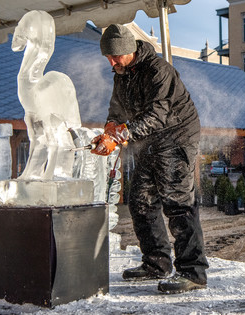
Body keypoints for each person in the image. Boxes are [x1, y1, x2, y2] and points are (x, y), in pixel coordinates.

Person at [91, 24, 208, 294]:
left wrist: (122, 136)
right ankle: (156, 263)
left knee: (178, 203)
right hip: (150, 140)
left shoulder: (158, 70)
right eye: (107, 57)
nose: (111, 62)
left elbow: (157, 115)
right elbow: (117, 107)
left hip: (177, 136)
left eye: (115, 56)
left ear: (129, 50)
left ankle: (193, 272)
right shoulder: (121, 73)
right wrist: (110, 128)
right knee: (140, 201)